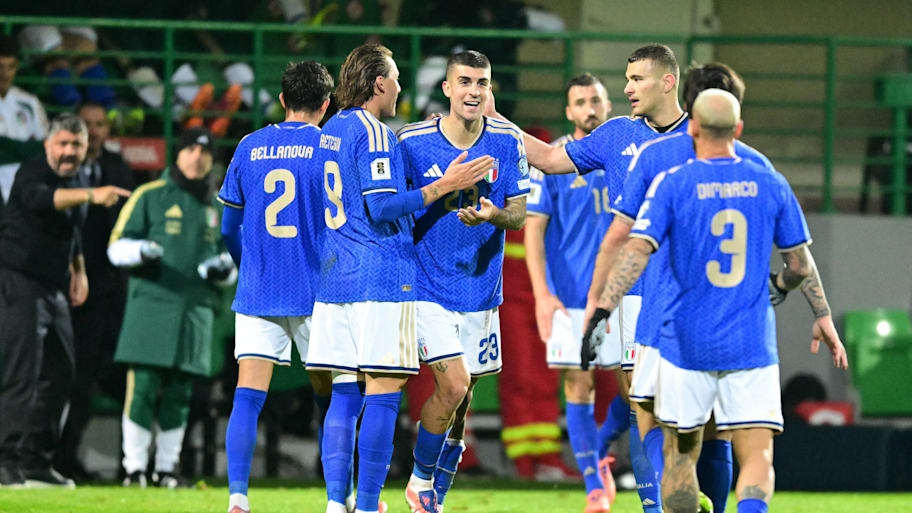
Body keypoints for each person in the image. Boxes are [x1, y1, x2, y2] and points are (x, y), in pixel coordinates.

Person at [589, 88, 848, 513]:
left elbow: (635, 251)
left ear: (692, 128)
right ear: (739, 130)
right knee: (757, 456)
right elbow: (800, 266)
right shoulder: (770, 182)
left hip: (685, 339)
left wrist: (602, 309)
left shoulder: (673, 183)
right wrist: (810, 307)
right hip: (750, 341)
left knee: (677, 453)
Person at [498, 44, 688, 513]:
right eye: (623, 80)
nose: (625, 90)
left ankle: (681, 488)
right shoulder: (615, 136)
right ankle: (628, 494)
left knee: (687, 410)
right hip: (615, 296)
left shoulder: (699, 134)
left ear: (667, 81)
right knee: (640, 406)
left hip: (680, 294)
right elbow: (546, 159)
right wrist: (493, 118)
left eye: (634, 80)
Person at [304, 44, 492, 513]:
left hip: (335, 282)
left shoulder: (331, 129)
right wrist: (442, 186)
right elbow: (383, 206)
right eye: (396, 78)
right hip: (379, 277)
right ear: (379, 83)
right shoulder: (376, 132)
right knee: (385, 390)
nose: (401, 87)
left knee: (345, 391)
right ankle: (368, 504)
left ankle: (336, 502)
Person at [583, 62, 776, 513]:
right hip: (736, 324)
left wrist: (598, 305)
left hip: (662, 317)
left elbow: (622, 239)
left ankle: (665, 507)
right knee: (730, 437)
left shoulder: (658, 159)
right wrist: (808, 306)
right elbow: (792, 258)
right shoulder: (759, 167)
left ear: (688, 106)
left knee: (655, 424)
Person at [397, 50, 529, 513]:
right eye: (466, 82)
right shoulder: (412, 142)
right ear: (448, 88)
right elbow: (390, 209)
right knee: (452, 386)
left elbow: (519, 213)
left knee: (464, 398)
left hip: (481, 291)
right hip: (428, 287)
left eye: (483, 83)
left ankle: (434, 494)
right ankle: (418, 482)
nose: (474, 91)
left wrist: (496, 213)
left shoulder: (508, 141)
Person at [217, 61, 334, 513]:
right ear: (325, 105)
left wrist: (251, 267)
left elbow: (230, 228)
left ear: (282, 100)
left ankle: (238, 498)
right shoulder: (330, 147)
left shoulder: (249, 146)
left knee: (248, 394)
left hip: (259, 289)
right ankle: (336, 498)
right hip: (317, 290)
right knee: (336, 393)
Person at [0, 113, 129, 488]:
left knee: (63, 374)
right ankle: (5, 461)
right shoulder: (32, 172)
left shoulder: (76, 179)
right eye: (63, 144)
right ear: (47, 145)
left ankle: (36, 462)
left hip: (53, 287)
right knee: (20, 375)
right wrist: (91, 194)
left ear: (87, 147)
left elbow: (71, 229)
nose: (69, 151)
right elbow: (45, 201)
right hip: (19, 281)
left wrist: (79, 269)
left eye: (77, 144)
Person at [108, 127, 236, 488]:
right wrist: (141, 251)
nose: (197, 157)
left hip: (196, 309)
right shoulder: (150, 195)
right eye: (191, 150)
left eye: (205, 152)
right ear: (177, 155)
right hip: (152, 305)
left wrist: (225, 270)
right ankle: (134, 469)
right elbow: (116, 246)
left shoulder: (219, 205)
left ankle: (166, 469)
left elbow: (231, 259)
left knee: (181, 394)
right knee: (143, 387)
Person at [524, 72, 622, 513]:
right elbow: (533, 232)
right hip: (573, 294)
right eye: (580, 101)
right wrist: (543, 296)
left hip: (625, 295)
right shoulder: (555, 162)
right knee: (579, 385)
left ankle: (600, 450)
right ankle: (594, 486)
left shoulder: (626, 154)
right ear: (569, 111)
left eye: (596, 100)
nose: (589, 108)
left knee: (639, 390)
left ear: (608, 104)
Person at [55, 101, 135, 482]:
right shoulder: (63, 174)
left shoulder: (119, 170)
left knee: (124, 383)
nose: (96, 131)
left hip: (113, 295)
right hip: (75, 295)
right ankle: (63, 459)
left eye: (100, 123)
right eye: (88, 125)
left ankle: (129, 465)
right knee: (76, 382)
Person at [0, 34, 48, 217]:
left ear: (17, 68)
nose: (4, 74)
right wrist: (25, 150)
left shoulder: (29, 102)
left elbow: (44, 149)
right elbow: (32, 150)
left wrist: (5, 146)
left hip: (24, 188)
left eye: (10, 67)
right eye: (0, 67)